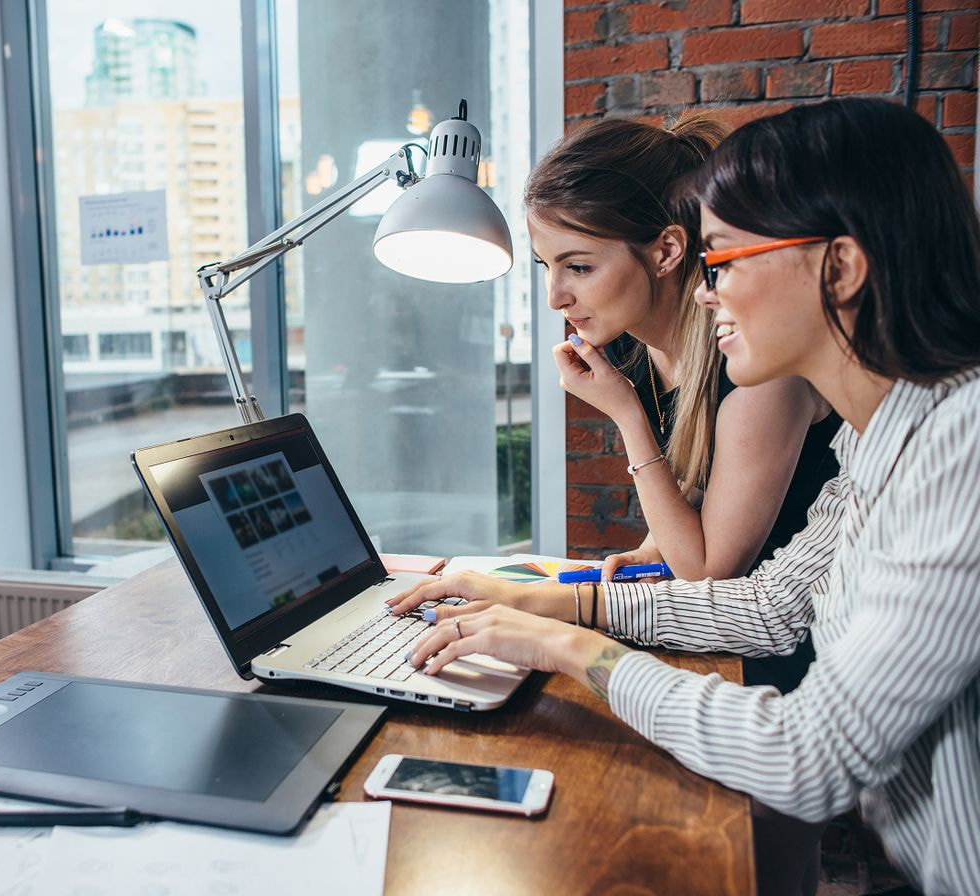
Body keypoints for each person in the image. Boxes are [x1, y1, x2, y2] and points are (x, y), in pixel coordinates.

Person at [390, 97, 980, 896]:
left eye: (728, 259)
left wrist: (571, 647)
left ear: (838, 268)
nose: (709, 292)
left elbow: (807, 758)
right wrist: (557, 604)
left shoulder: (960, 447)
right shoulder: (876, 441)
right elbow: (770, 604)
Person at [524, 113, 839, 694]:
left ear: (667, 250)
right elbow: (696, 497)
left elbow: (708, 571)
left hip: (786, 665)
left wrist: (626, 416)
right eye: (547, 266)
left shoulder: (760, 367)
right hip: (715, 638)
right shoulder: (631, 345)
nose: (555, 296)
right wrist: (650, 553)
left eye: (579, 266)